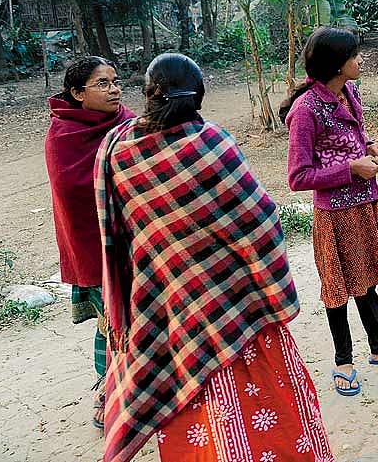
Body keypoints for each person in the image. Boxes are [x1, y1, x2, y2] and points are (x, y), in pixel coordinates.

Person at [95, 53, 331, 462]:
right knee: (265, 412)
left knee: (193, 421)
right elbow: (260, 220)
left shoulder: (116, 150)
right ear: (199, 96)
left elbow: (120, 234)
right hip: (237, 309)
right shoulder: (211, 144)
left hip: (170, 312)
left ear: (148, 93)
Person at [282, 27, 378, 399]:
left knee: (366, 278)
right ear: (336, 63)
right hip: (335, 215)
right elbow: (297, 176)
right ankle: (343, 361)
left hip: (364, 203)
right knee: (338, 287)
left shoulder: (349, 92)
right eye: (355, 56)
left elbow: (353, 139)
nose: (360, 61)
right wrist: (351, 170)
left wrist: (370, 144)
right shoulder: (306, 110)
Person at [44, 56, 134, 430]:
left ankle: (138, 390)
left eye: (115, 81)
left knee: (136, 318)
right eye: (102, 83)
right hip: (94, 248)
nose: (114, 89)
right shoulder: (63, 136)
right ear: (78, 93)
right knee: (112, 322)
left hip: (134, 244)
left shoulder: (125, 121)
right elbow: (72, 191)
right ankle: (109, 393)